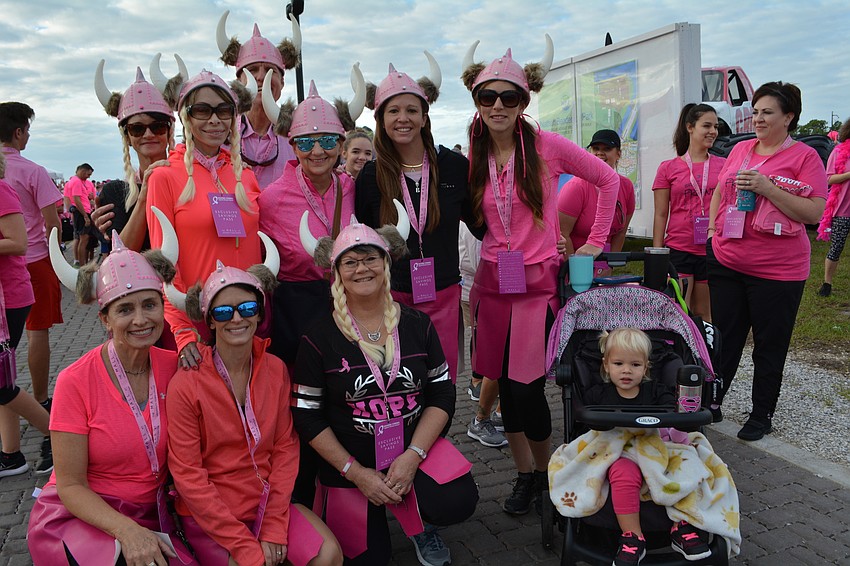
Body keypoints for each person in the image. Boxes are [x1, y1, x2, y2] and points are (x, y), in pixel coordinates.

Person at [462, 40, 619, 514]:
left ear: (523, 102)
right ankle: (524, 475)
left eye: (508, 97)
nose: (497, 106)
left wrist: (595, 242)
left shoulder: (547, 146)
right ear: (477, 102)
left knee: (528, 386)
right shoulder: (475, 153)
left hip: (535, 287)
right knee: (503, 386)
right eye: (487, 97)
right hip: (494, 282)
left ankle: (549, 471)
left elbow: (608, 179)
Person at [294, 218, 478, 566]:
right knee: (366, 559)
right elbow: (306, 415)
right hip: (351, 464)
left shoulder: (417, 324)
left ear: (386, 264)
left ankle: (422, 523)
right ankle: (370, 504)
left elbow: (442, 394)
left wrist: (413, 456)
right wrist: (356, 472)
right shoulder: (317, 338)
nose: (362, 268)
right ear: (336, 273)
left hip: (409, 449)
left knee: (456, 499)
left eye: (370, 259)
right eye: (350, 261)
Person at [164, 236, 343, 566]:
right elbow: (188, 476)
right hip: (211, 517)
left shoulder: (274, 368)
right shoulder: (185, 384)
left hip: (266, 504)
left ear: (260, 315)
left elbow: (286, 446)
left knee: (329, 554)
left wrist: (274, 525)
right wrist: (244, 546)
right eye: (223, 311)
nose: (237, 319)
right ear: (210, 320)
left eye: (247, 308)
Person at [28, 225, 189, 565]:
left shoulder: (176, 367)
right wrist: (126, 531)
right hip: (84, 515)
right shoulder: (74, 380)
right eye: (125, 309)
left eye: (150, 304)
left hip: (152, 514)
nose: (141, 319)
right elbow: (70, 485)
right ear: (104, 319)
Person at [707, 81, 827, 440]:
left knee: (768, 345)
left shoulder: (804, 157)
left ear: (789, 117)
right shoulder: (741, 149)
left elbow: (815, 212)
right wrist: (714, 234)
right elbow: (719, 191)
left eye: (767, 112)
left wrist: (768, 188)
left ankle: (761, 415)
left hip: (778, 272)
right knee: (724, 340)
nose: (758, 118)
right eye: (756, 111)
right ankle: (713, 403)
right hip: (727, 261)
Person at [356, 53, 481, 383]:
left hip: (444, 294)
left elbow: (483, 223)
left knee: (441, 385)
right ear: (381, 119)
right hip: (390, 299)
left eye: (412, 110)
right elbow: (361, 242)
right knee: (398, 384)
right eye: (393, 111)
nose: (403, 118)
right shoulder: (370, 176)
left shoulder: (454, 166)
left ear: (424, 117)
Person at [146, 69, 261, 370]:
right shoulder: (164, 177)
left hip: (246, 317)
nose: (214, 120)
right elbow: (163, 265)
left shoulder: (245, 175)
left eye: (223, 111)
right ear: (186, 116)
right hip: (195, 323)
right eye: (202, 110)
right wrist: (183, 331)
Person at [581, 327, 712, 565]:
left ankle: (680, 527)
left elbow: (674, 424)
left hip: (657, 450)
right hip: (622, 453)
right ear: (606, 366)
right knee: (622, 472)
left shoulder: (657, 393)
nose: (627, 371)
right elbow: (593, 432)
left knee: (685, 465)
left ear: (646, 367)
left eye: (635, 365)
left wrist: (679, 428)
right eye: (619, 364)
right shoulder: (598, 395)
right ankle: (633, 537)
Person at [259, 75, 364, 368]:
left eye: (328, 141)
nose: (317, 152)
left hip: (348, 306)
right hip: (297, 314)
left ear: (341, 145)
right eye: (305, 143)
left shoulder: (353, 187)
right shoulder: (270, 199)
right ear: (292, 147)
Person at [0, 101, 62, 475]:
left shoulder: (7, 176)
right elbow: (53, 222)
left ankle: (14, 445)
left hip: (14, 268)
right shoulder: (32, 170)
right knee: (38, 333)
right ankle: (39, 399)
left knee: (5, 362)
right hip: (35, 262)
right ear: (20, 131)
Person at [91, 56, 184, 252]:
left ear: (168, 132)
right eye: (137, 129)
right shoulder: (116, 192)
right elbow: (123, 252)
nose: (148, 134)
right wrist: (145, 194)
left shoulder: (189, 181)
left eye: (157, 127)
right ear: (127, 137)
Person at [652, 105, 725, 320]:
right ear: (690, 128)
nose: (713, 131)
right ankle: (679, 354)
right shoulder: (668, 167)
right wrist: (658, 255)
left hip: (712, 249)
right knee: (677, 312)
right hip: (679, 250)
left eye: (716, 126)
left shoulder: (725, 165)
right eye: (707, 125)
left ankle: (703, 353)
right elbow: (661, 214)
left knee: (704, 314)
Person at [216, 10, 299, 189]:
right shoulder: (218, 131)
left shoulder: (298, 135)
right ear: (239, 81)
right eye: (252, 70)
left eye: (271, 70)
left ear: (282, 82)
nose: (261, 77)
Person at [558, 129, 635, 274]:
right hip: (576, 264)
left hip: (603, 263)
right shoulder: (576, 187)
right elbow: (563, 234)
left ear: (618, 154)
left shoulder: (626, 186)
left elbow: (621, 233)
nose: (600, 153)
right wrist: (574, 270)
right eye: (596, 149)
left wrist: (610, 265)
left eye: (607, 149)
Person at [816, 117, 850, 297]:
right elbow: (828, 178)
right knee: (836, 247)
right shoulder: (839, 152)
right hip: (843, 209)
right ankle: (827, 283)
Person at [65, 163, 97, 266]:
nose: (88, 177)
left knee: (83, 238)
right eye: (88, 174)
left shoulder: (75, 182)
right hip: (81, 212)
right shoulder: (77, 182)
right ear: (83, 171)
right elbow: (76, 199)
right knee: (83, 239)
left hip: (80, 211)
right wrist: (85, 215)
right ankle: (83, 264)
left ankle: (82, 262)